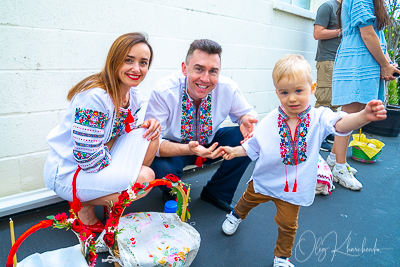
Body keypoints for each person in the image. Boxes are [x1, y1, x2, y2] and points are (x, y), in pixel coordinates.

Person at [220, 55, 387, 267]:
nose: (291, 98)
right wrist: (235, 151)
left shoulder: (319, 117)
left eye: (299, 91)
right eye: (284, 92)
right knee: (246, 200)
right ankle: (236, 215)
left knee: (288, 225)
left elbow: (342, 124)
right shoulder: (272, 118)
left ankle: (281, 257)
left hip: (293, 189)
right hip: (266, 178)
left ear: (313, 88)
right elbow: (255, 144)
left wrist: (363, 116)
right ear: (277, 92)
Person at [43, 33, 160, 232]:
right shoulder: (95, 98)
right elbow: (88, 160)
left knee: (151, 137)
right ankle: (84, 205)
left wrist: (145, 126)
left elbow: (122, 132)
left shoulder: (134, 94)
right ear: (114, 60)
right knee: (145, 179)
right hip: (69, 171)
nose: (136, 69)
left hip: (97, 158)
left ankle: (105, 195)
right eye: (129, 60)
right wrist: (118, 154)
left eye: (143, 62)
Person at [144, 39, 258, 212]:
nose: (205, 79)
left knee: (246, 139)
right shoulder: (164, 91)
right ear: (184, 68)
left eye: (213, 71)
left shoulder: (228, 88)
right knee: (162, 167)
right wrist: (188, 149)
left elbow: (246, 113)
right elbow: (152, 142)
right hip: (176, 148)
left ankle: (217, 192)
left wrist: (245, 120)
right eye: (199, 69)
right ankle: (173, 192)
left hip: (210, 143)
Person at [327, 0, 400, 190]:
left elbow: (374, 35)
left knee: (353, 114)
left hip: (364, 61)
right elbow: (367, 34)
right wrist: (384, 64)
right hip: (357, 61)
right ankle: (339, 168)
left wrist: (387, 63)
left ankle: (334, 160)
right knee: (349, 116)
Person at [313, 0, 342, 152]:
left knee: (334, 100)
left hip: (341, 61)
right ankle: (317, 136)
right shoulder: (328, 6)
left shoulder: (346, 8)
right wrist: (340, 31)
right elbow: (317, 33)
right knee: (324, 99)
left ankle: (326, 131)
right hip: (327, 60)